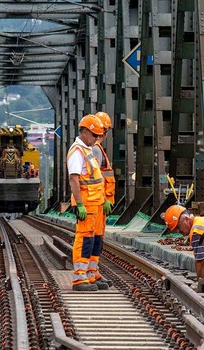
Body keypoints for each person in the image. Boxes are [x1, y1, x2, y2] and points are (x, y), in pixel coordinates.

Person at [67, 114, 108, 291]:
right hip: (87, 204)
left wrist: (104, 199)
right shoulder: (77, 151)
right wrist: (79, 204)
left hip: (96, 203)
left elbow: (96, 177)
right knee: (84, 239)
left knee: (96, 239)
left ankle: (91, 273)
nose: (97, 139)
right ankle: (79, 278)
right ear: (84, 132)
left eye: (99, 136)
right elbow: (74, 179)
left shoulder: (89, 149)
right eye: (94, 135)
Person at [89, 111, 116, 289]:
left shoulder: (95, 148)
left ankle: (94, 272)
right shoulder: (96, 149)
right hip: (98, 202)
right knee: (94, 238)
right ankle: (91, 273)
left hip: (100, 202)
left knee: (97, 239)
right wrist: (104, 199)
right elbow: (96, 177)